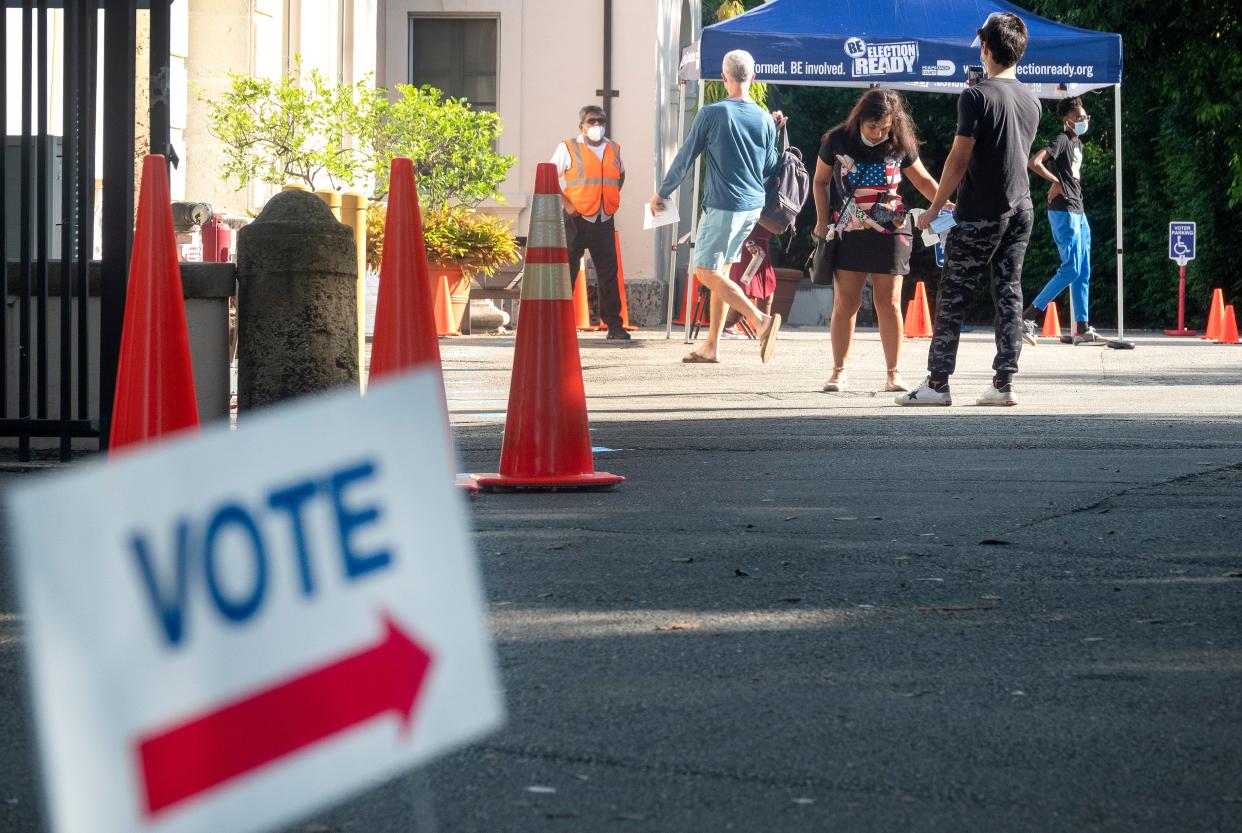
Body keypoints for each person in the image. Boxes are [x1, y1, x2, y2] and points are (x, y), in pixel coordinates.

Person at [902, 12, 1041, 406]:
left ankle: (938, 383)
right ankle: (1004, 383)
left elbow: (958, 160)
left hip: (981, 210)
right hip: (1022, 208)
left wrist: (931, 208)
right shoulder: (1032, 99)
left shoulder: (975, 96)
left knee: (953, 294)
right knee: (1009, 292)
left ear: (985, 48)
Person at [650, 49, 784, 364]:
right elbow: (769, 166)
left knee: (704, 271)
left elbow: (686, 155)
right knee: (721, 271)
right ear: (753, 77)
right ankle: (711, 346)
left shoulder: (712, 113)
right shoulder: (765, 119)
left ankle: (760, 320)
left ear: (724, 78)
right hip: (753, 207)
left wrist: (663, 192)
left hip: (724, 204)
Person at [812, 89, 948, 393]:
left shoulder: (898, 141)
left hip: (892, 228)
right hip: (850, 229)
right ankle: (838, 372)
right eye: (873, 127)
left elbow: (922, 179)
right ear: (860, 118)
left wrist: (942, 203)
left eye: (885, 127)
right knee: (845, 302)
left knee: (888, 302)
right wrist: (822, 222)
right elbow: (820, 180)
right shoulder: (837, 139)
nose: (879, 133)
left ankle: (893, 374)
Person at [1023, 97, 1101, 345]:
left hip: (1079, 211)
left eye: (1086, 117)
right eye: (1079, 118)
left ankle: (1081, 327)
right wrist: (1055, 182)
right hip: (1063, 211)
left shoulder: (1078, 144)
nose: (1084, 121)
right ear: (1067, 120)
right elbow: (1034, 162)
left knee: (1083, 271)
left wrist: (1062, 182)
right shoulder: (1062, 139)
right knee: (1071, 268)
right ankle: (1028, 316)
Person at [551, 105, 630, 340]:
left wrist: (610, 198)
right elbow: (549, 174)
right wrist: (566, 204)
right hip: (576, 219)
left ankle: (614, 326)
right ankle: (558, 326)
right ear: (582, 126)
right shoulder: (567, 147)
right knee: (568, 272)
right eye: (592, 121)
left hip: (603, 218)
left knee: (608, 274)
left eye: (601, 121)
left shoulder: (613, 148)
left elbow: (621, 174)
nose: (597, 126)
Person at [722, 225, 776, 337]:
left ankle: (763, 329)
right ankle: (727, 327)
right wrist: (749, 241)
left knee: (767, 291)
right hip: (749, 246)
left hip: (760, 246)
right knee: (747, 292)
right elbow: (746, 218)